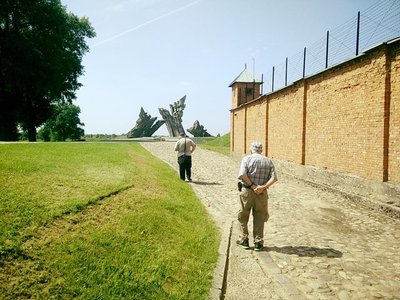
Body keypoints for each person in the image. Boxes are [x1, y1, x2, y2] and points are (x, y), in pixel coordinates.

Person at [237, 141, 278, 251]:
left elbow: (242, 174)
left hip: (248, 191)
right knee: (260, 216)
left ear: (251, 149)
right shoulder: (268, 161)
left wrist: (253, 186)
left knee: (243, 215)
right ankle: (258, 243)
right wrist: (263, 187)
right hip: (262, 193)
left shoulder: (247, 159)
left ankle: (244, 240)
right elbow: (274, 178)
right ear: (261, 150)